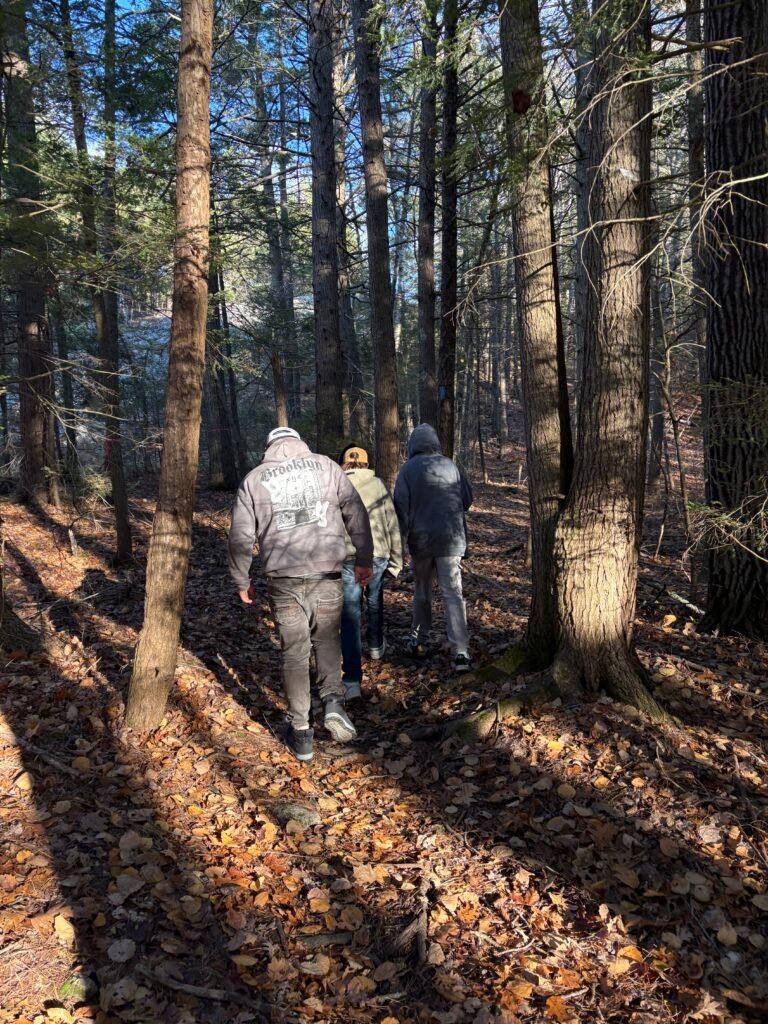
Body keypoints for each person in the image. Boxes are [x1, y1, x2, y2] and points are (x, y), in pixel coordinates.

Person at [228, 426, 373, 762]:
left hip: (283, 578)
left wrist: (240, 578)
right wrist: (364, 558)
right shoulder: (327, 466)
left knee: (294, 652)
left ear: (269, 447)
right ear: (299, 442)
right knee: (327, 640)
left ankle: (302, 732)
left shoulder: (254, 480)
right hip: (327, 571)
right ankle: (334, 701)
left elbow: (240, 537)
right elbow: (355, 511)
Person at [394, 424, 473, 673]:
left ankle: (419, 639)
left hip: (421, 541)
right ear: (436, 443)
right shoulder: (450, 465)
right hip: (451, 539)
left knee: (422, 592)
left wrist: (403, 537)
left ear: (412, 446)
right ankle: (461, 651)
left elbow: (400, 508)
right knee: (453, 594)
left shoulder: (407, 469)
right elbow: (467, 499)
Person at [338, 444, 403, 699]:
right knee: (374, 600)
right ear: (365, 464)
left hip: (347, 556)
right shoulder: (377, 485)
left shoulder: (336, 485)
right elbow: (392, 523)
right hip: (377, 554)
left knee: (351, 612)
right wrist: (397, 560)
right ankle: (375, 646)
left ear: (343, 463)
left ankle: (352, 679)